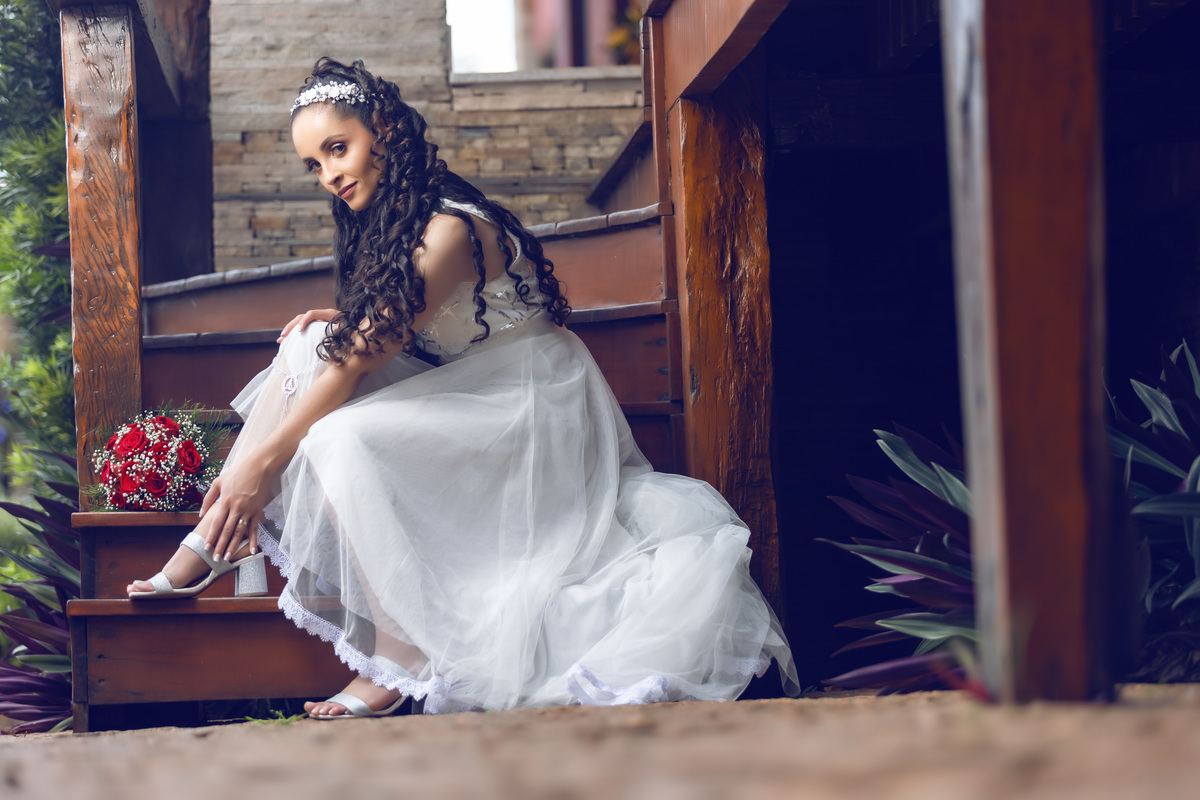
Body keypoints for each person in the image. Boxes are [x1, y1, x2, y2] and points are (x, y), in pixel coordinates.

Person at [127, 57, 798, 718]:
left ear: (384, 129)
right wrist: (342, 327)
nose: (329, 174)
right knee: (307, 342)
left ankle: (396, 647)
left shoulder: (448, 230)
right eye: (314, 164)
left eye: (337, 148)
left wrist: (261, 468)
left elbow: (361, 358)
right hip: (472, 388)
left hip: (530, 408)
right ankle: (212, 537)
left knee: (336, 435)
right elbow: (386, 329)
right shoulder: (404, 222)